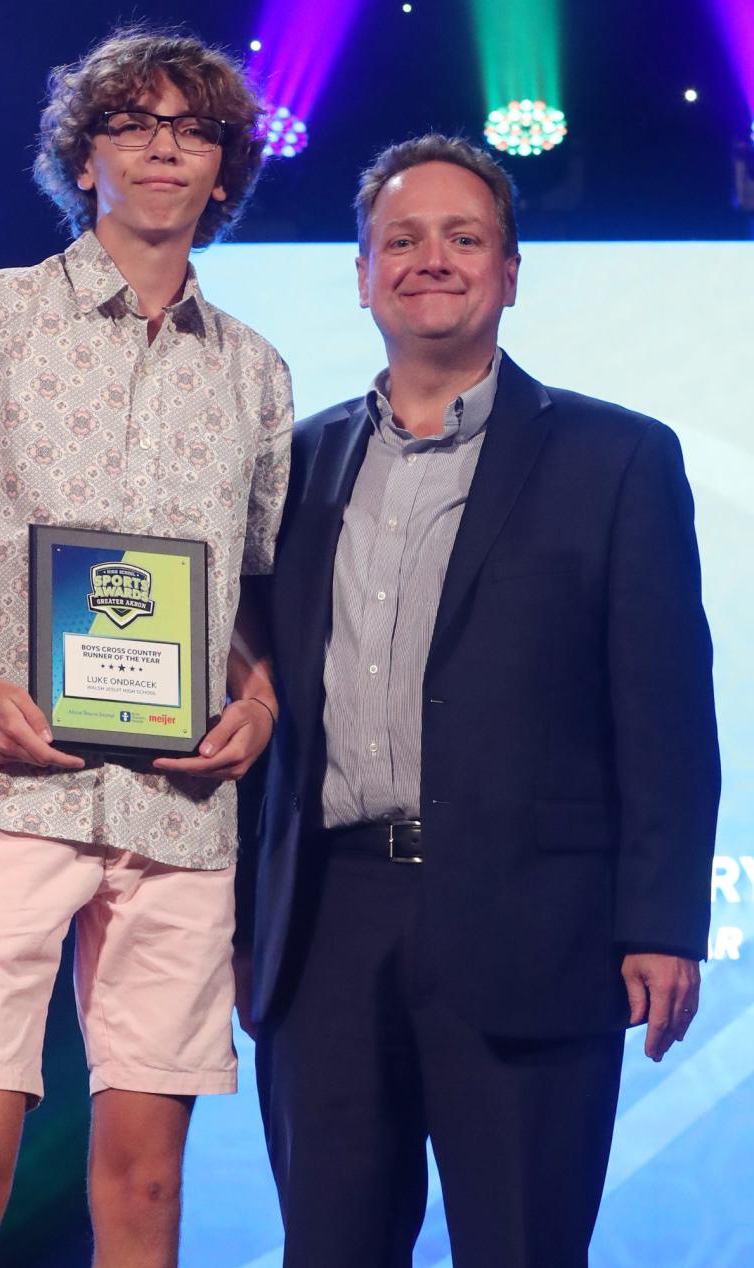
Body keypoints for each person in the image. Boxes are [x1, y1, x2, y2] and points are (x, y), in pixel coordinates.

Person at [0, 28, 291, 1268]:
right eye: (132, 124)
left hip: (176, 807)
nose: (162, 147)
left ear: (223, 169)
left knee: (145, 1187)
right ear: (82, 156)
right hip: (4, 782)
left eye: (192, 129)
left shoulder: (256, 371)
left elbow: (244, 595)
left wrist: (256, 698)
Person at [235, 134, 719, 1268]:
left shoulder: (619, 458)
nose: (430, 260)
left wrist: (658, 921)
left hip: (536, 927)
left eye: (464, 238)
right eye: (400, 240)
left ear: (510, 271)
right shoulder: (291, 468)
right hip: (325, 929)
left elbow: (665, 712)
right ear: (360, 276)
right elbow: (258, 700)